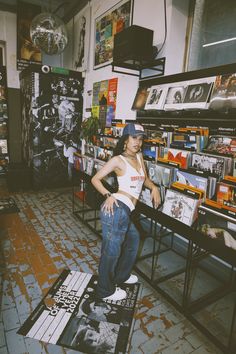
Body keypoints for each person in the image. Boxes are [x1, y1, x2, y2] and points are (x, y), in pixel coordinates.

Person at [91, 123, 161, 301]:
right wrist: (108, 194)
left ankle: (121, 276)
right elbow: (95, 179)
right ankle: (105, 290)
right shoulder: (117, 160)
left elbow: (144, 179)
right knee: (111, 251)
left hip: (126, 211)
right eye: (134, 138)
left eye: (140, 138)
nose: (138, 142)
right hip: (116, 209)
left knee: (133, 241)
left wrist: (154, 188)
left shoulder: (139, 157)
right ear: (125, 139)